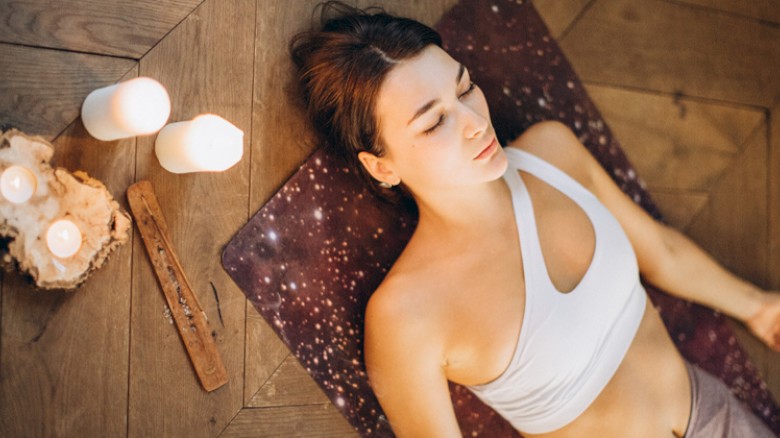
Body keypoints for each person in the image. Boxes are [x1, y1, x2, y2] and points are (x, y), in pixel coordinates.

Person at [290, 2, 780, 437]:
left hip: (717, 417)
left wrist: (760, 308)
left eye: (465, 88)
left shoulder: (553, 151)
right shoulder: (405, 317)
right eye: (435, 121)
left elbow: (662, 252)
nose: (475, 122)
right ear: (383, 166)